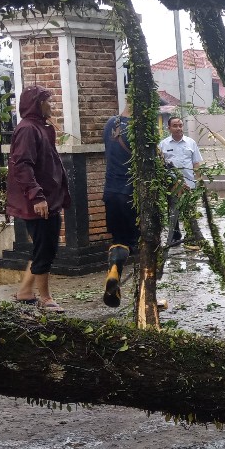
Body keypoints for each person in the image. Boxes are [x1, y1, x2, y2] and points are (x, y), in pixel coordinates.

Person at [6, 85, 72, 313]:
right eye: (48, 101)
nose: (51, 106)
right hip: (38, 202)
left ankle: (25, 291)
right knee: (45, 249)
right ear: (37, 104)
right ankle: (45, 298)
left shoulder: (39, 127)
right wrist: (37, 197)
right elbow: (22, 165)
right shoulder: (27, 129)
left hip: (48, 199)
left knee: (43, 247)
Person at [101, 104, 137, 307]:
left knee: (118, 240)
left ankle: (113, 275)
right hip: (130, 194)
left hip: (110, 192)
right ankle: (144, 296)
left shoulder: (110, 124)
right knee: (135, 243)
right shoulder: (139, 130)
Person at [159, 115, 203, 244]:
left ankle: (191, 237)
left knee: (190, 211)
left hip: (189, 184)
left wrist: (199, 181)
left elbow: (196, 163)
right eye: (175, 126)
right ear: (169, 128)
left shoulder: (191, 143)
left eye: (180, 125)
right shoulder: (163, 144)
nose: (178, 128)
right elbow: (161, 166)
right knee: (173, 211)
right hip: (172, 186)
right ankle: (175, 236)